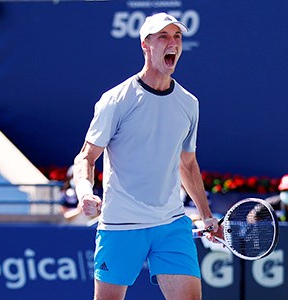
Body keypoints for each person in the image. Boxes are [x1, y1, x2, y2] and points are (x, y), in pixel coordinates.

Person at [72, 13, 221, 299]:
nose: (172, 43)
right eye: (163, 37)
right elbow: (86, 157)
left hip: (171, 223)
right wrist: (84, 192)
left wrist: (205, 216)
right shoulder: (116, 100)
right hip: (121, 223)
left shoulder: (189, 104)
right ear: (146, 45)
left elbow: (187, 165)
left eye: (177, 37)